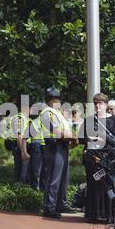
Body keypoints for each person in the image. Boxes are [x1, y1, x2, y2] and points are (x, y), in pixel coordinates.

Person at [79, 93, 115, 223]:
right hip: (93, 159)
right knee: (94, 184)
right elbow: (82, 138)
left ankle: (109, 215)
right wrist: (94, 139)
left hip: (109, 158)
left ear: (106, 103)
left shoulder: (114, 120)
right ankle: (94, 215)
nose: (98, 105)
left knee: (108, 185)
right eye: (96, 103)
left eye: (100, 102)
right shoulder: (89, 120)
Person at [40, 87, 77, 218]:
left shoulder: (57, 113)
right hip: (54, 146)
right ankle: (49, 207)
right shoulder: (47, 113)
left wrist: (71, 138)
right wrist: (73, 138)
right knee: (54, 178)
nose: (59, 101)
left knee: (63, 178)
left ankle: (61, 204)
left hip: (62, 145)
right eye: (57, 99)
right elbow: (57, 132)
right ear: (50, 100)